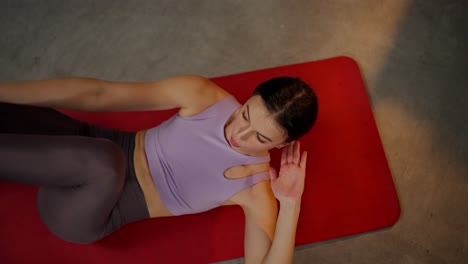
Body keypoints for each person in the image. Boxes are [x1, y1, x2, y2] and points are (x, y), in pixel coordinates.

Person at [0, 75, 318, 264]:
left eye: (260, 138)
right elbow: (97, 94)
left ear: (279, 145)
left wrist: (290, 204)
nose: (240, 135)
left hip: (84, 211)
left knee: (105, 163)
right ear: (250, 98)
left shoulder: (254, 187)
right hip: (81, 152)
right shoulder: (205, 96)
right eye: (246, 114)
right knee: (42, 118)